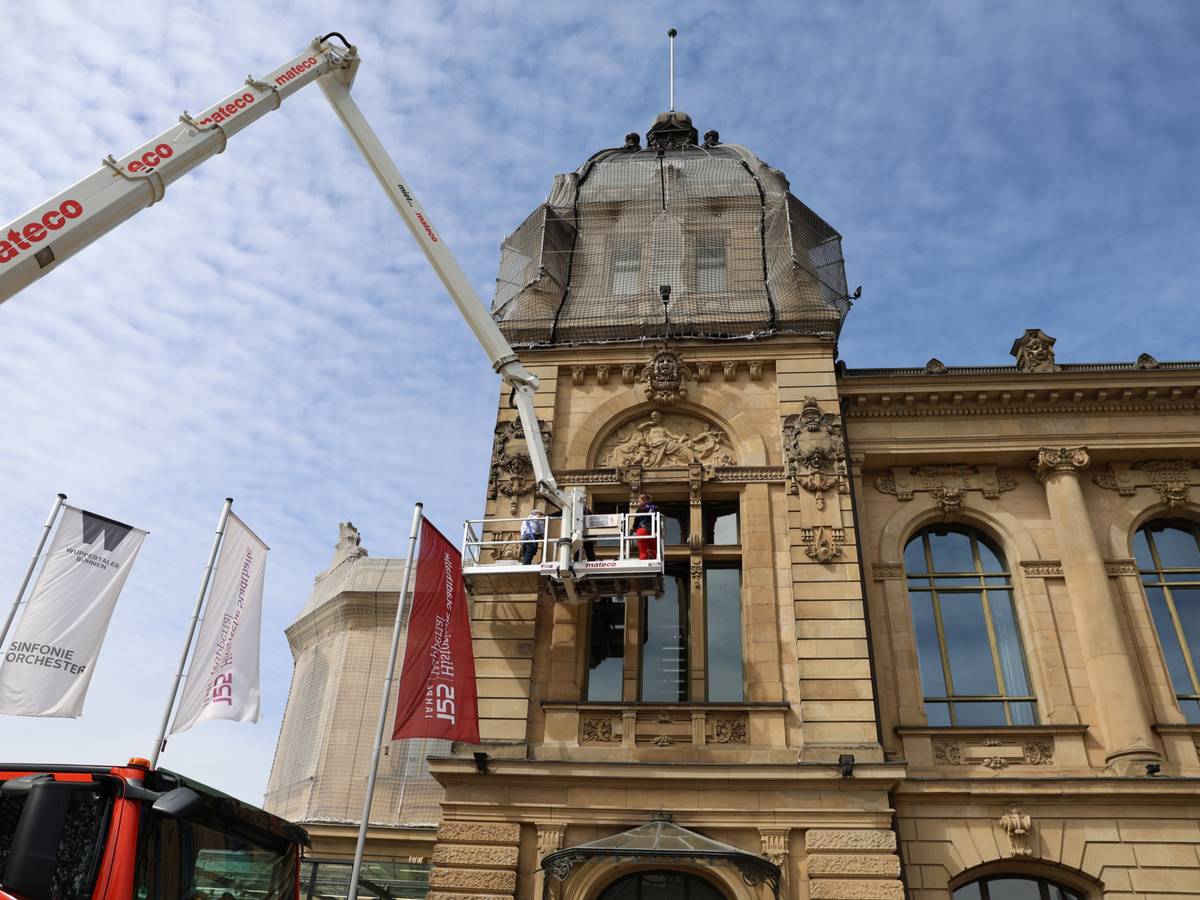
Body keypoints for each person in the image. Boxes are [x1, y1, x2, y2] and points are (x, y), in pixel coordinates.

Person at [632, 493, 658, 561]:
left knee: (643, 549)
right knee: (653, 548)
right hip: (653, 531)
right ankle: (652, 555)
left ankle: (644, 558)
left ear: (644, 500)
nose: (638, 503)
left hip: (642, 530)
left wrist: (634, 528)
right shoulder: (654, 507)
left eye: (639, 501)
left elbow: (636, 521)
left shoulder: (640, 508)